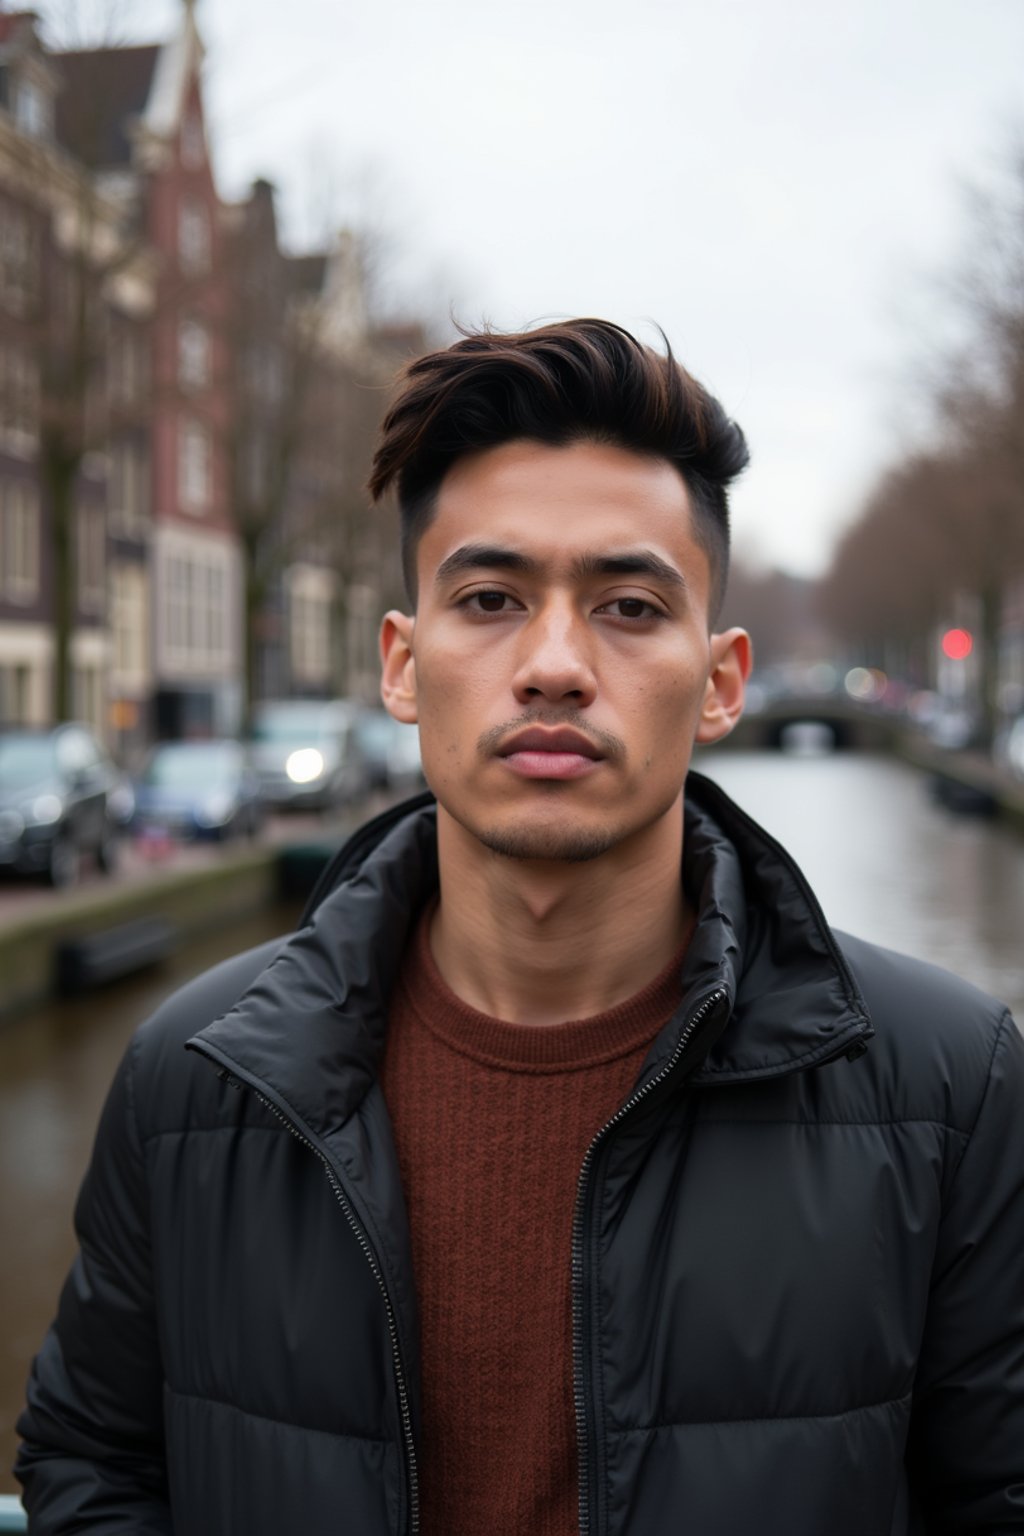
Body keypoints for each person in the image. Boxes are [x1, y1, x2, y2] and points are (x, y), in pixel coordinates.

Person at [15, 320, 1024, 1536]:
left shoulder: (952, 1086)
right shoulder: (192, 1080)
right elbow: (94, 1467)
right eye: (490, 599)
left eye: (630, 606)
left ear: (720, 681)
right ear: (401, 665)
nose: (553, 664)